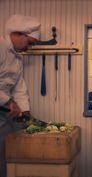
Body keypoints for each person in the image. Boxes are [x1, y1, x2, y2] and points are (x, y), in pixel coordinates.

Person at [0, 14, 40, 177]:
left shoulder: (17, 58)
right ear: (17, 34)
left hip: (3, 115)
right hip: (4, 105)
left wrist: (25, 111)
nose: (29, 48)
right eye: (29, 43)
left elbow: (19, 87)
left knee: (3, 157)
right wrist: (8, 101)